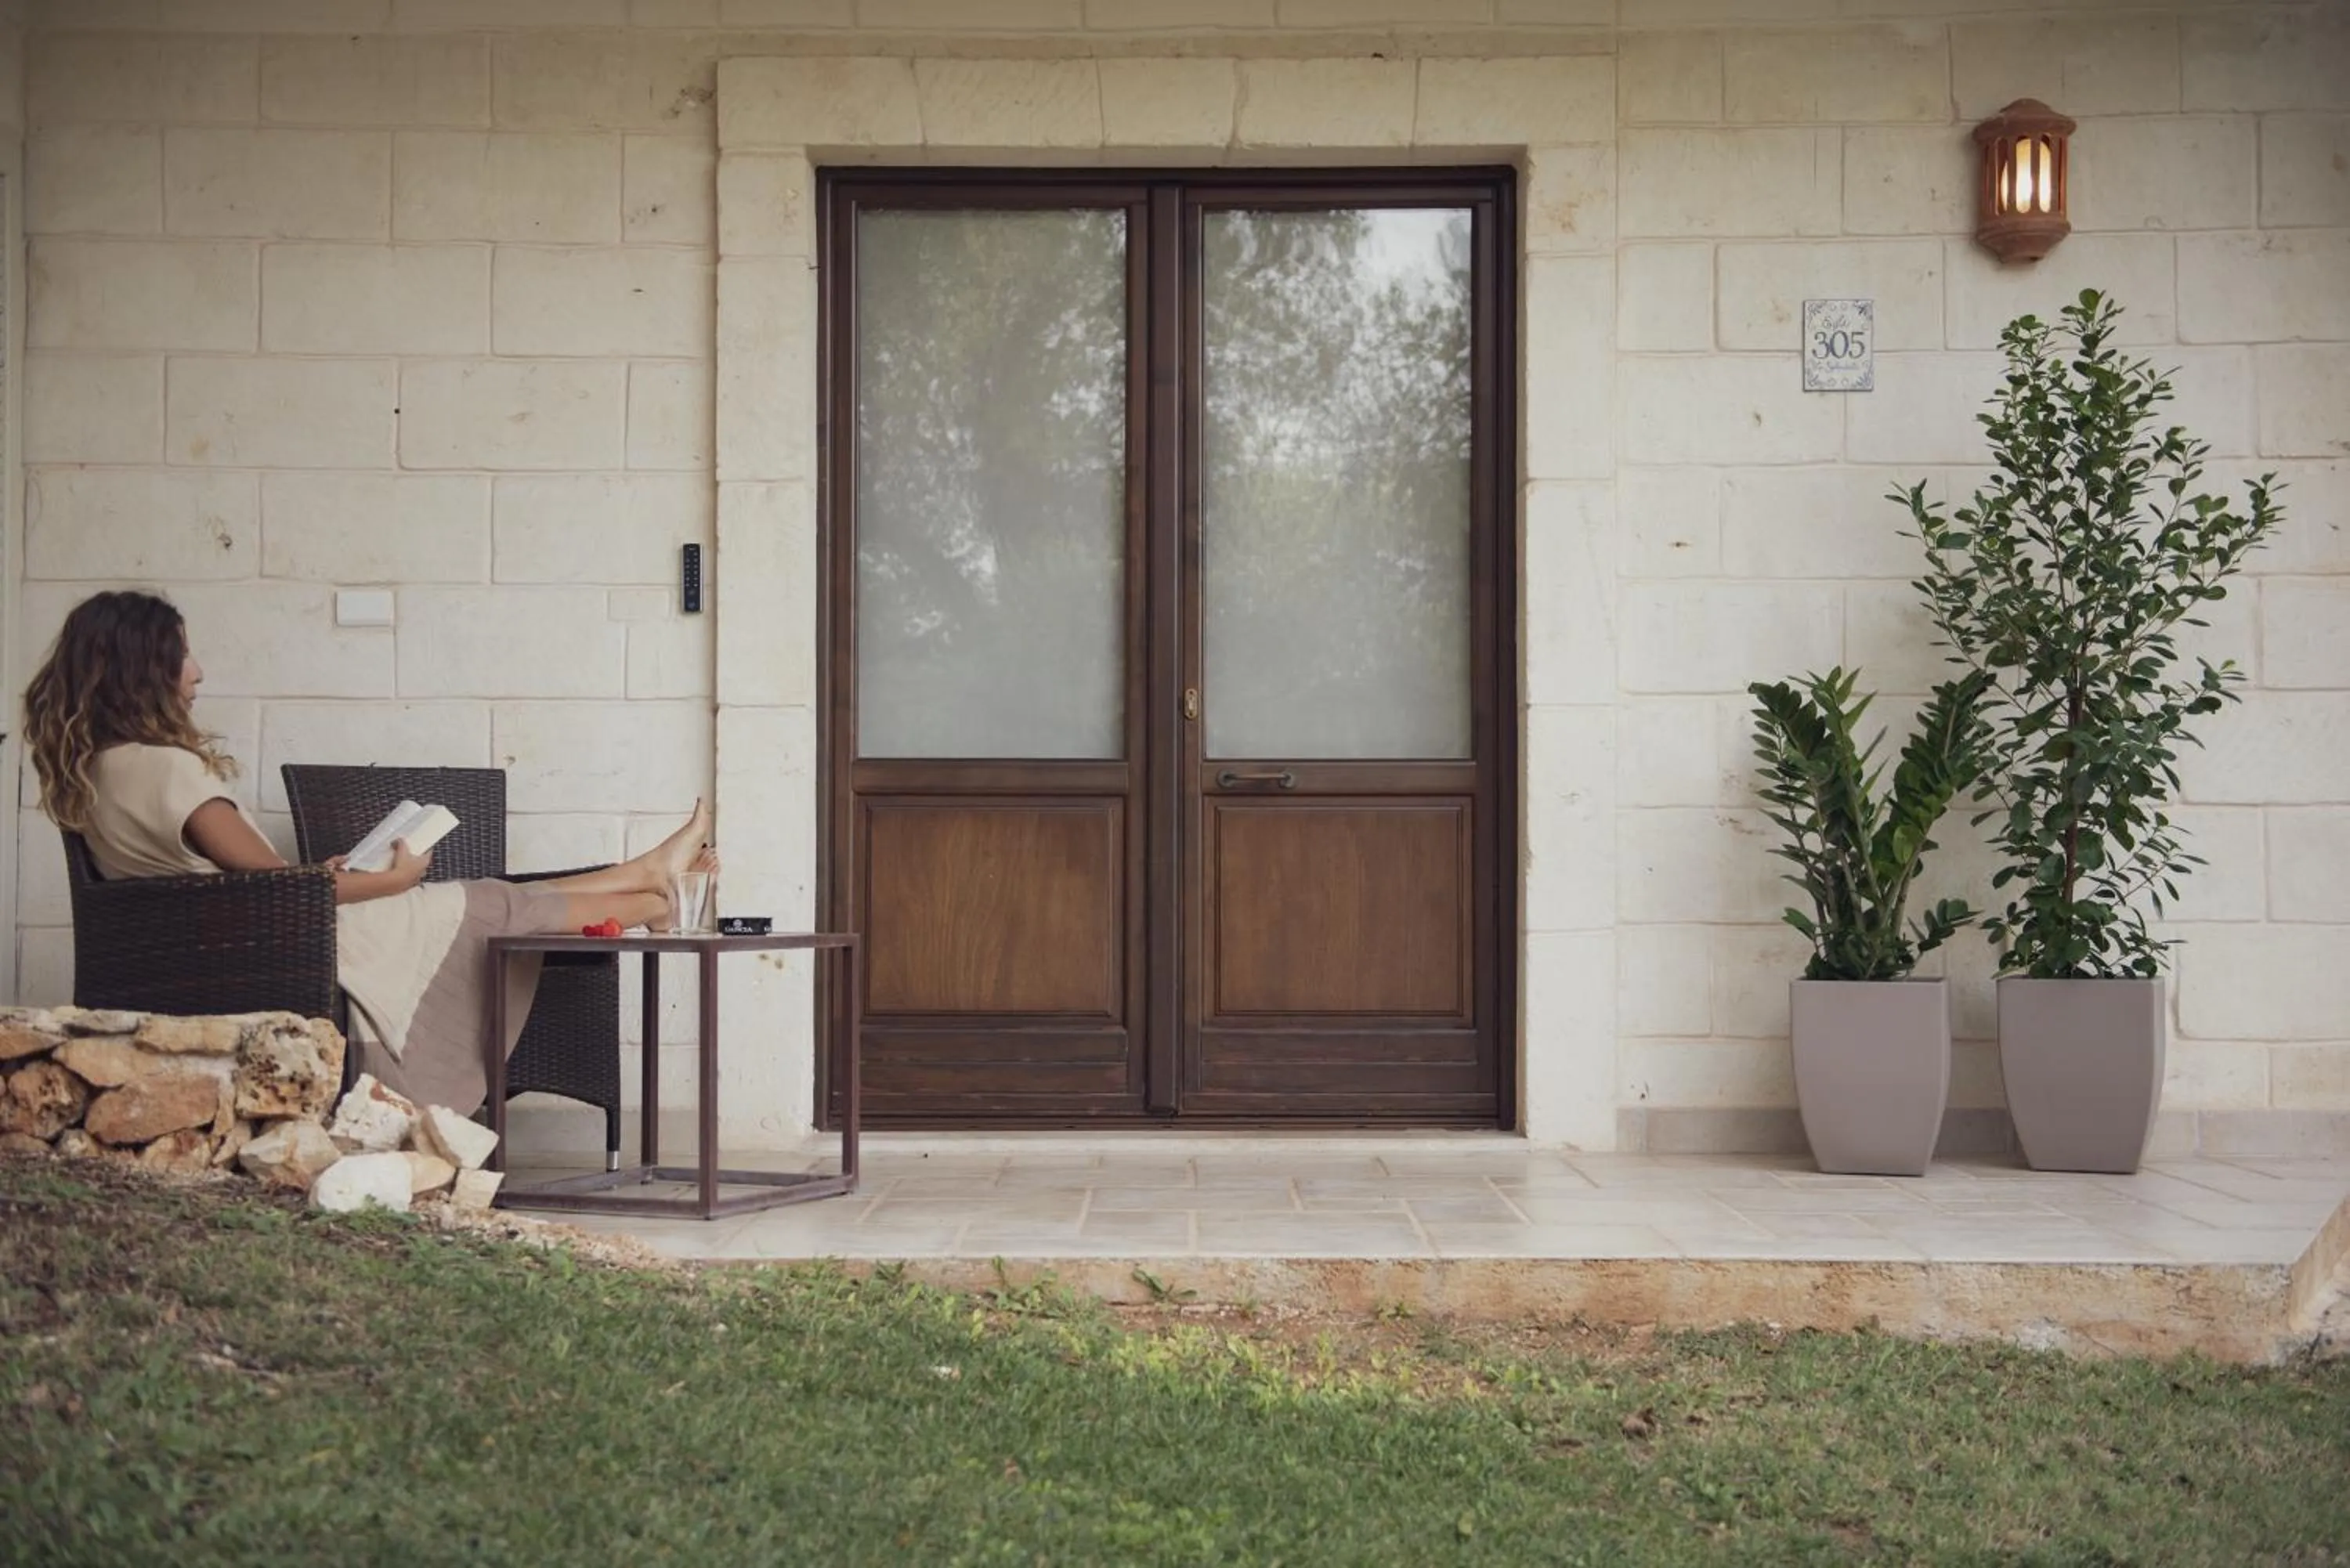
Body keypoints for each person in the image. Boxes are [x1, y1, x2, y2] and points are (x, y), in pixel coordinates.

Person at [21, 589, 717, 1116]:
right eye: (183, 654)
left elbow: (245, 885)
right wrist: (394, 879)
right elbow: (276, 892)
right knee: (486, 902)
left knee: (485, 898)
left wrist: (348, 876)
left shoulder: (92, 772)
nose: (198, 672)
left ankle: (648, 883)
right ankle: (656, 896)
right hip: (281, 948)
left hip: (232, 945)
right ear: (147, 669)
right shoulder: (168, 770)